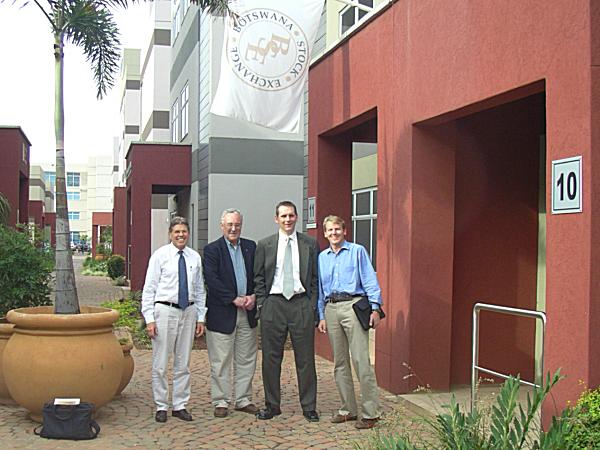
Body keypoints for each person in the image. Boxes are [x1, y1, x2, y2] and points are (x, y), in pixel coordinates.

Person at [254, 200, 320, 422]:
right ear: (276, 219)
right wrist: (262, 305)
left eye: (291, 215)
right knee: (271, 359)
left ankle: (309, 406)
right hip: (274, 305)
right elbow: (259, 277)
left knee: (306, 359)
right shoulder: (264, 245)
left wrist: (311, 305)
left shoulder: (310, 244)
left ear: (297, 218)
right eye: (283, 216)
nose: (288, 220)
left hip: (301, 304)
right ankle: (272, 405)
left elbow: (314, 278)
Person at [317, 215, 383, 430]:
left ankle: (370, 412)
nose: (334, 233)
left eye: (337, 229)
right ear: (325, 233)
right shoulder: (322, 257)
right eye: (330, 230)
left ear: (345, 231)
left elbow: (370, 280)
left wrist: (375, 308)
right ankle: (348, 409)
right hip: (331, 307)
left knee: (361, 360)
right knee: (340, 362)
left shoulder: (357, 251)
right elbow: (320, 289)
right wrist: (321, 315)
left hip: (353, 306)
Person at [141, 216, 206, 423]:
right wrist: (149, 319)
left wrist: (201, 318)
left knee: (183, 362)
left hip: (188, 311)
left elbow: (199, 289)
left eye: (184, 231)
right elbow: (149, 288)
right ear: (170, 234)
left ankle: (180, 405)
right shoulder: (160, 256)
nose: (181, 235)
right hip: (165, 311)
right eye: (177, 231)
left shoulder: (194, 257)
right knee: (160, 362)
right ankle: (161, 405)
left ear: (188, 233)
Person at [203, 208, 258, 418]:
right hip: (223, 312)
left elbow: (257, 275)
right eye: (229, 225)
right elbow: (212, 279)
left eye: (237, 225)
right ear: (222, 225)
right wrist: (233, 298)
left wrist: (253, 296)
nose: (233, 228)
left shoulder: (251, 247)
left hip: (248, 311)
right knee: (221, 360)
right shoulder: (212, 250)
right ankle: (221, 400)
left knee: (246, 359)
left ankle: (243, 399)